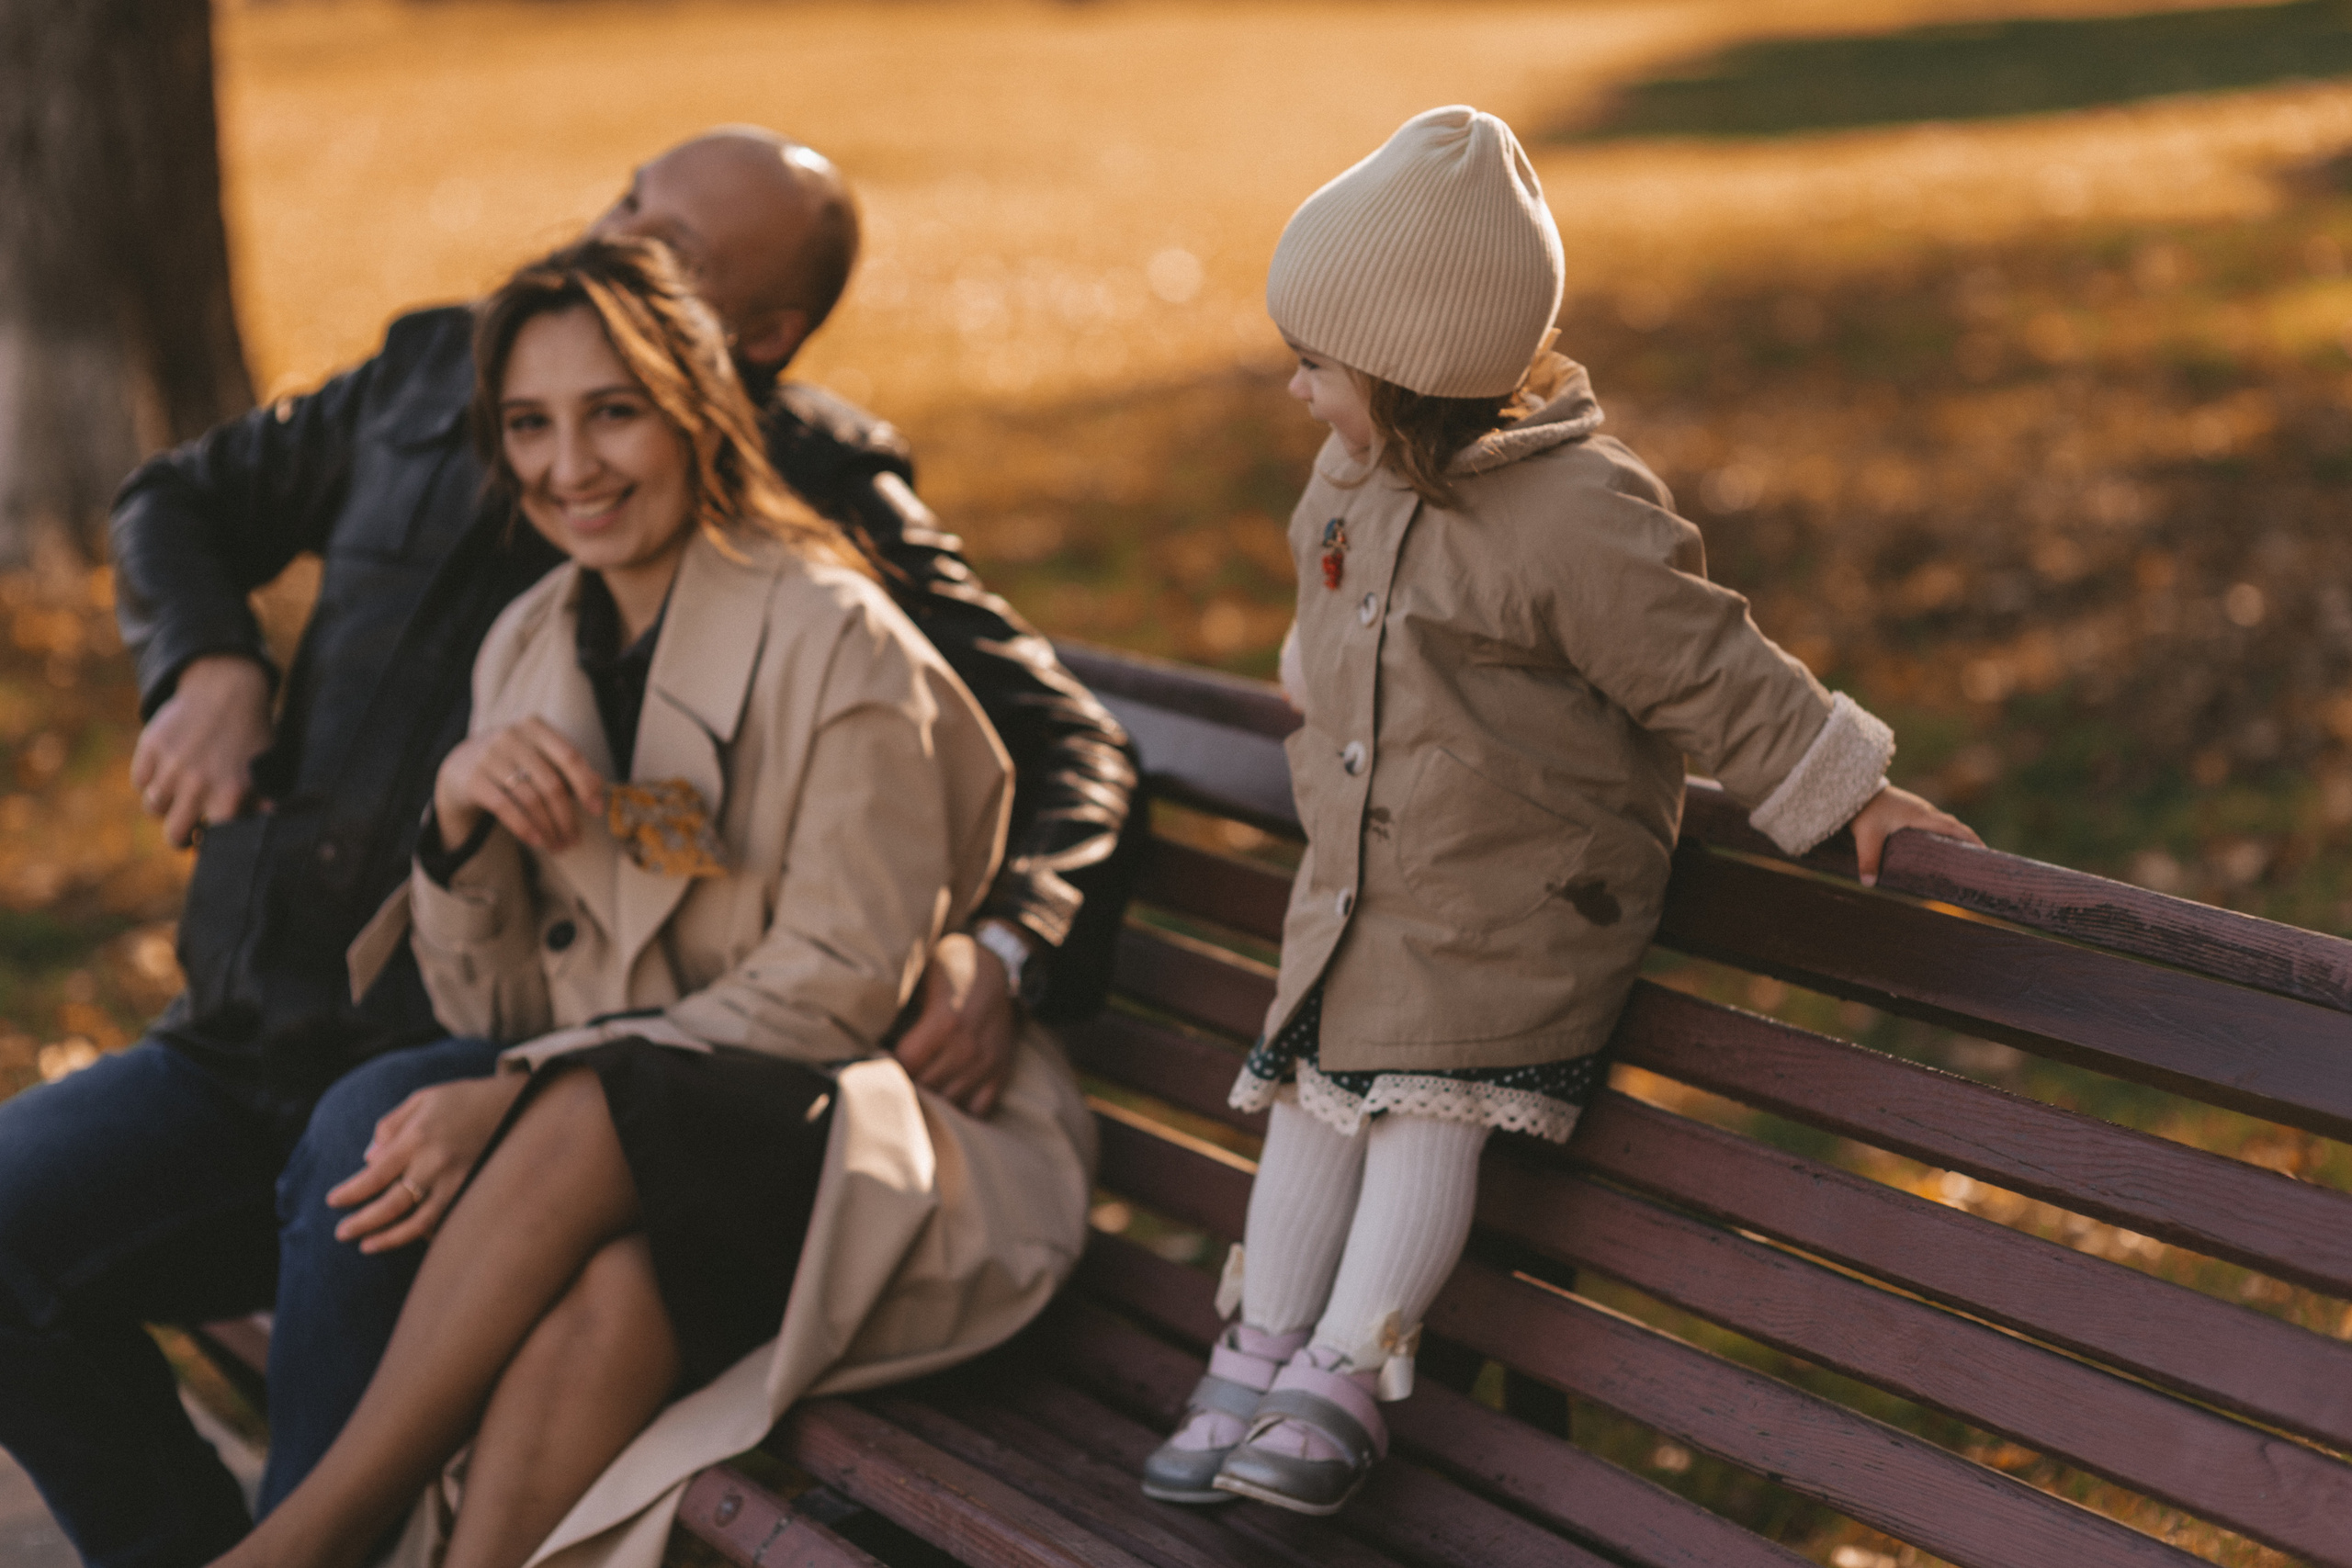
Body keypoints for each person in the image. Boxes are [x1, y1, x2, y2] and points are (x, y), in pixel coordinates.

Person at [0, 130, 1136, 1568]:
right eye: (530, 423)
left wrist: (1015, 938)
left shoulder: (829, 565)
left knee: (393, 1148)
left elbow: (989, 806)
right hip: (287, 1038)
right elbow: (179, 499)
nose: (566, 462)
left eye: (619, 403)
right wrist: (257, 694)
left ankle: (302, 1545)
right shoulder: (485, 498)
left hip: (641, 1093)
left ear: (732, 365)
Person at [1139, 107, 1980, 1517]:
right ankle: (1260, 1344)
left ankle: (1349, 1369)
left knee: (1419, 1119)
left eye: (1316, 367)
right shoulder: (1351, 474)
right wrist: (1312, 672)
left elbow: (1713, 668)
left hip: (1511, 906)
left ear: (1407, 375)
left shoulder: (1578, 519)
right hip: (1362, 898)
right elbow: (1332, 608)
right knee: (1307, 1113)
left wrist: (1849, 793)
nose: (1296, 393)